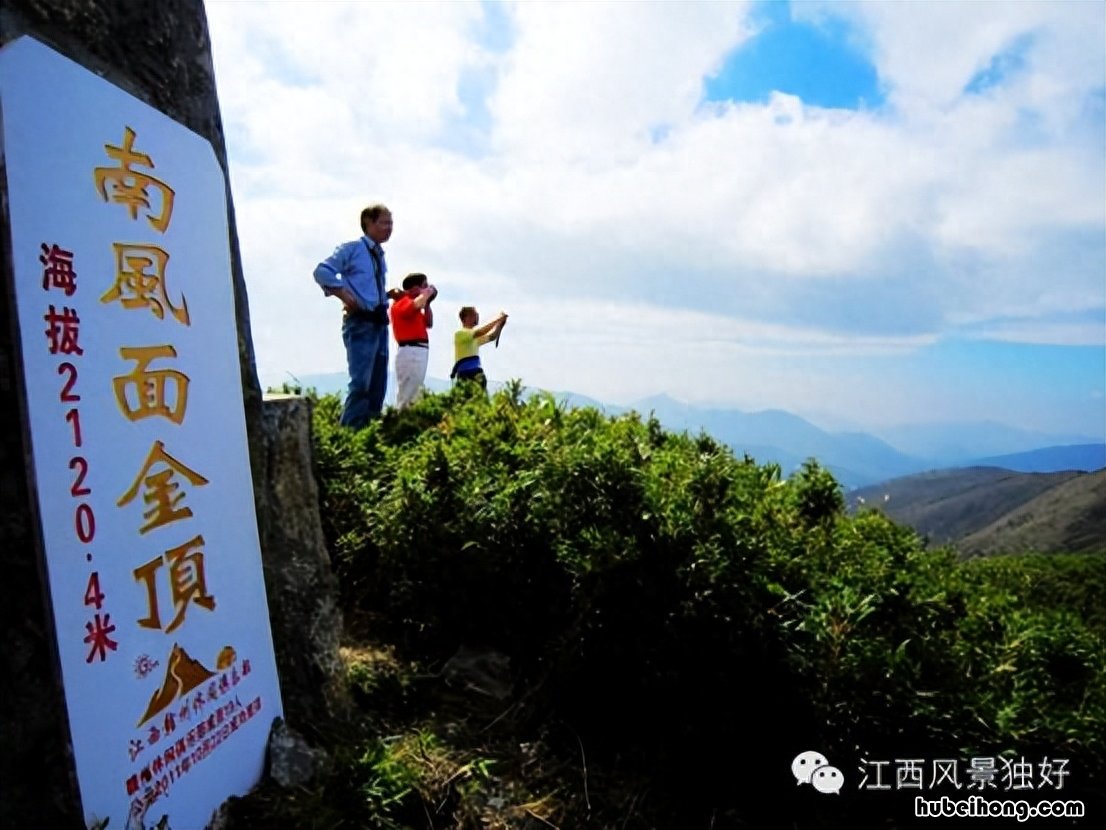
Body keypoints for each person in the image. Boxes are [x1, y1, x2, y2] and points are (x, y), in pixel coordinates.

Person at [313, 204, 402, 428]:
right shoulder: (352, 248)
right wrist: (342, 292)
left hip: (379, 321)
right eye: (384, 222)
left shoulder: (379, 254)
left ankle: (369, 434)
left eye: (390, 223)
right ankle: (349, 434)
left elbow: (366, 286)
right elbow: (322, 271)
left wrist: (386, 295)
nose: (389, 228)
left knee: (378, 384)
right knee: (361, 383)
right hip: (361, 321)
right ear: (368, 223)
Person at [390, 272, 437, 409]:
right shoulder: (401, 303)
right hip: (410, 351)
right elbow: (417, 304)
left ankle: (410, 420)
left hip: (418, 351)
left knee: (416, 391)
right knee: (407, 393)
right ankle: (402, 420)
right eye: (424, 285)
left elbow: (428, 323)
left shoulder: (417, 308)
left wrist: (428, 304)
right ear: (415, 288)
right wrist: (429, 292)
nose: (426, 288)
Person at [451, 306, 508, 391]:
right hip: (465, 374)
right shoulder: (461, 333)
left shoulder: (473, 337)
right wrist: (498, 319)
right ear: (467, 317)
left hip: (477, 374)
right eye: (475, 315)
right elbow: (481, 331)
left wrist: (500, 325)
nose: (477, 317)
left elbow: (492, 336)